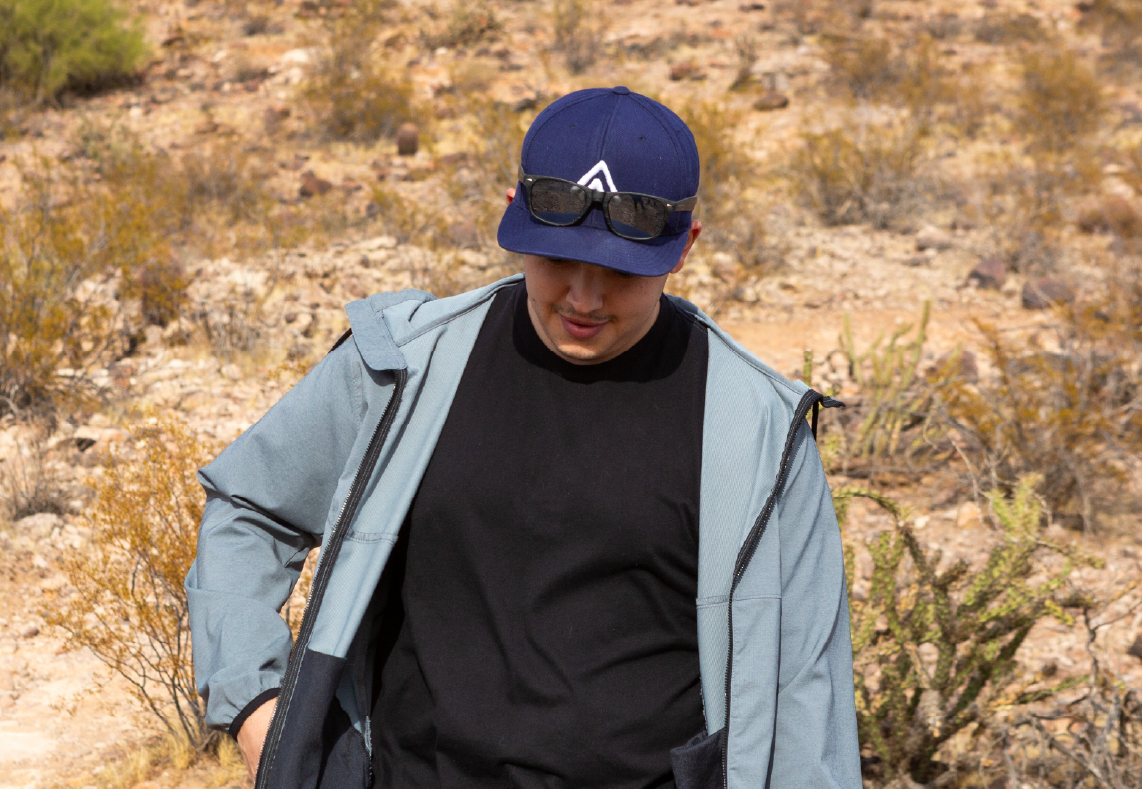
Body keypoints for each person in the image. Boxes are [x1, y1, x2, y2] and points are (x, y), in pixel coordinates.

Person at [186, 86, 858, 789]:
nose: (584, 298)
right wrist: (257, 708)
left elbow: (806, 697)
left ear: (684, 247)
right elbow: (249, 505)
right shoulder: (404, 367)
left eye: (622, 272)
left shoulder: (757, 429)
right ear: (511, 210)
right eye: (558, 260)